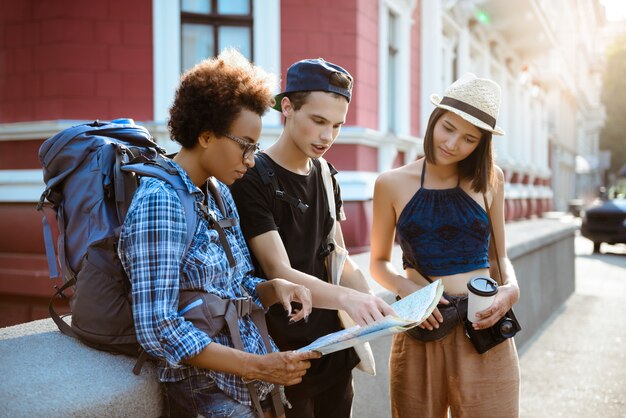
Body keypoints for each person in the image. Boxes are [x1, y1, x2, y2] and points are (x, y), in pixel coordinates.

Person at [118, 49, 321, 418]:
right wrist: (255, 366)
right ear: (207, 135)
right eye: (245, 146)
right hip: (205, 392)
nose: (250, 160)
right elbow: (158, 326)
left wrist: (275, 288)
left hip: (248, 386)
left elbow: (237, 282)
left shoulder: (219, 193)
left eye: (256, 148)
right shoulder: (159, 201)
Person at [231, 58, 395, 417]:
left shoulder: (325, 173)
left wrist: (379, 307)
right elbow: (280, 269)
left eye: (337, 125)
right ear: (286, 107)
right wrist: (348, 299)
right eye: (318, 121)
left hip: (335, 347)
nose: (328, 137)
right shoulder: (253, 175)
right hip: (285, 355)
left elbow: (340, 256)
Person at [370, 73, 521, 417]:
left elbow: (500, 256)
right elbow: (378, 263)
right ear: (434, 120)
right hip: (423, 325)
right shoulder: (391, 183)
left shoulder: (490, 179)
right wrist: (412, 293)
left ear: (481, 144)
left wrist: (511, 289)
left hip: (484, 323)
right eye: (448, 128)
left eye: (469, 139)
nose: (453, 143)